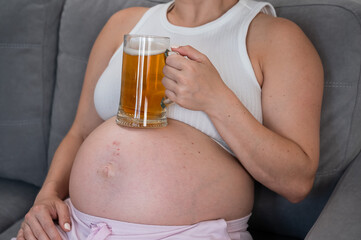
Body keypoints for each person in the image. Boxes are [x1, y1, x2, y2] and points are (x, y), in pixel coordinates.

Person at [15, 0, 324, 239]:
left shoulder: (276, 38)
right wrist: (47, 197)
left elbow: (296, 182)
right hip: (75, 225)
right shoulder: (123, 24)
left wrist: (216, 99)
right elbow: (80, 133)